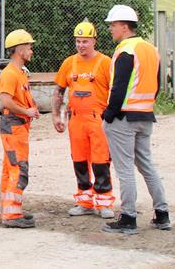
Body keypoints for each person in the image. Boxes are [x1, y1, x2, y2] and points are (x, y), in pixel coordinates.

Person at [100, 4, 170, 235]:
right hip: (145, 115)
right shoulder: (150, 49)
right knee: (147, 166)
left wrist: (108, 116)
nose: (110, 29)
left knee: (125, 170)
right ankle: (162, 214)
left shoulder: (125, 50)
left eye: (112, 25)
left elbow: (118, 88)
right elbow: (158, 85)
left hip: (124, 117)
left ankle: (128, 218)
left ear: (123, 25)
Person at [51, 19, 115, 218]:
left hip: (98, 120)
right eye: (78, 41)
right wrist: (56, 115)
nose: (81, 45)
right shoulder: (69, 63)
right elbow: (59, 90)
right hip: (76, 120)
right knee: (79, 160)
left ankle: (104, 203)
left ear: (94, 41)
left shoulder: (105, 62)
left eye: (85, 41)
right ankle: (84, 201)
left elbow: (115, 90)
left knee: (101, 161)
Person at [0, 29, 40, 228]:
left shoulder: (19, 73)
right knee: (18, 168)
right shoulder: (10, 74)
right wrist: (27, 111)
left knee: (10, 168)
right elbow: (6, 101)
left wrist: (29, 110)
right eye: (29, 47)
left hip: (17, 126)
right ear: (19, 49)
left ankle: (10, 210)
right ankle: (12, 215)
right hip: (14, 125)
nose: (31, 50)